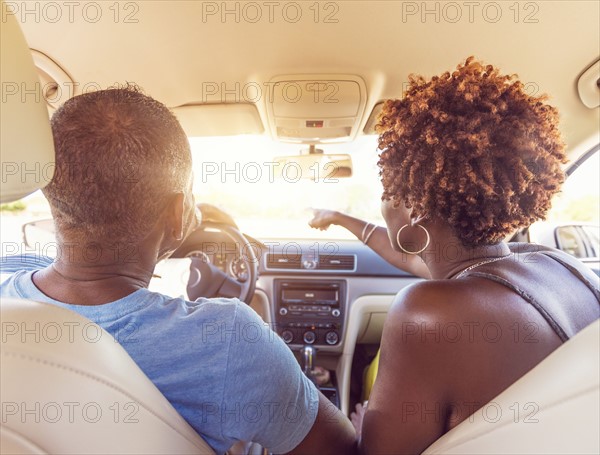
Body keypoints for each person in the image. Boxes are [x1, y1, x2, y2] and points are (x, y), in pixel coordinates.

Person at [0, 86, 356, 455]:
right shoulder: (228, 341)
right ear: (176, 213)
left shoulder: (7, 292)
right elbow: (342, 448)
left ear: (50, 193)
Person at [310, 57, 599, 454]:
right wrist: (341, 219)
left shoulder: (427, 314)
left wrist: (360, 429)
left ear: (414, 209)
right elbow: (413, 258)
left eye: (385, 191)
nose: (382, 204)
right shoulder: (559, 265)